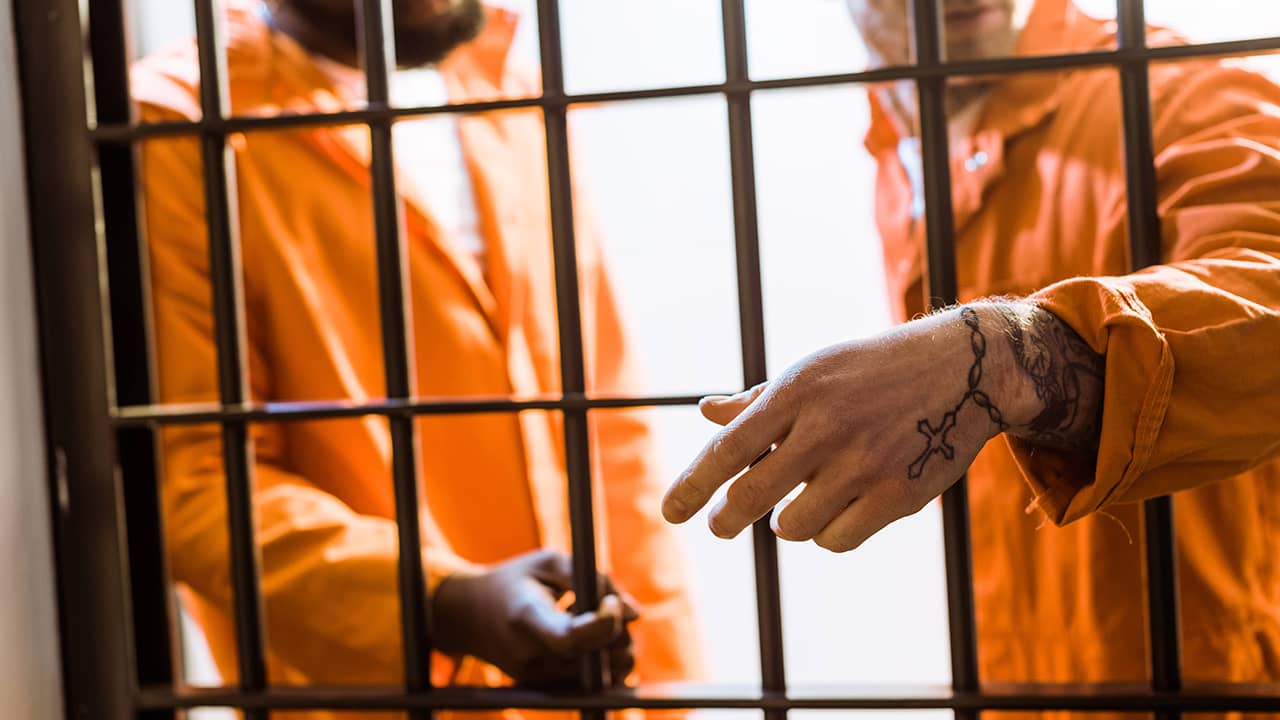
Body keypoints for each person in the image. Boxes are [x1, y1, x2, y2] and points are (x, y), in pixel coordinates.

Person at [664, 0, 1280, 703]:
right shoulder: (901, 139)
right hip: (1013, 677)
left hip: (1215, 683)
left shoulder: (1176, 87)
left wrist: (1006, 355)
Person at [131, 0, 703, 714]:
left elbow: (613, 432)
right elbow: (196, 484)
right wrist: (440, 602)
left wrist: (670, 696)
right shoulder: (182, 124)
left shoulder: (514, 95)